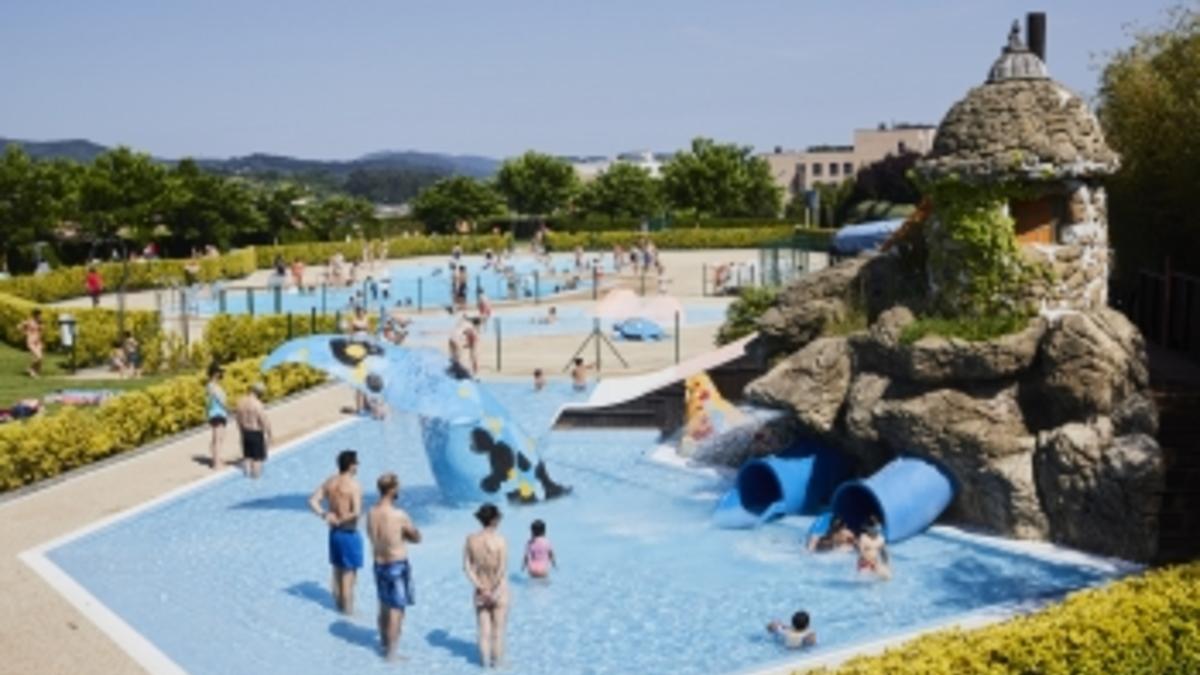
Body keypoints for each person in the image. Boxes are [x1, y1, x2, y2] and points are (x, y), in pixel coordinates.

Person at [367, 473, 422, 661]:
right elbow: (416, 538)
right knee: (396, 609)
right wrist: (410, 535)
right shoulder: (399, 515)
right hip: (396, 565)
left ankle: (383, 644)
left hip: (378, 563)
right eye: (397, 487)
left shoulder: (371, 512)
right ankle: (392, 654)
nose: (399, 490)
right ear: (392, 490)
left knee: (383, 605)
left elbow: (374, 537)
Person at [309, 450, 364, 615]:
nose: (357, 466)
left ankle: (339, 607)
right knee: (349, 577)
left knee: (337, 571)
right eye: (356, 463)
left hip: (334, 534)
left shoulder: (330, 482)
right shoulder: (354, 485)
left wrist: (324, 514)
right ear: (351, 465)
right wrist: (342, 519)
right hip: (349, 534)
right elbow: (356, 512)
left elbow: (312, 501)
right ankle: (347, 614)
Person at [464, 503, 508, 669]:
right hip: (499, 590)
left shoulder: (470, 539)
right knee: (497, 633)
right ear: (495, 520)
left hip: (480, 590)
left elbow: (467, 567)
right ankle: (498, 666)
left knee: (483, 632)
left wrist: (481, 588)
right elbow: (502, 568)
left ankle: (483, 667)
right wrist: (493, 590)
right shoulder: (500, 540)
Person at [234, 382, 273, 479]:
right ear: (259, 393)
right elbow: (264, 420)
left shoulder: (241, 402)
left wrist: (241, 431)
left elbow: (237, 418)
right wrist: (269, 434)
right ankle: (256, 479)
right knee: (257, 459)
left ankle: (247, 476)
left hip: (245, 432)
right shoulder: (257, 404)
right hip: (255, 433)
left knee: (247, 457)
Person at [205, 363, 228, 469]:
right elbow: (220, 399)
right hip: (216, 413)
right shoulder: (212, 386)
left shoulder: (214, 385)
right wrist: (229, 409)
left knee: (220, 437)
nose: (221, 375)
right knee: (217, 438)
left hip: (220, 413)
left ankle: (217, 458)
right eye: (219, 373)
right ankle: (216, 463)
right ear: (215, 373)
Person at [18, 309, 43, 378]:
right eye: (39, 315)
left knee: (40, 359)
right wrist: (25, 333)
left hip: (38, 342)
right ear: (35, 315)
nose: (40, 316)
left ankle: (34, 372)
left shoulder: (40, 322)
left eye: (40, 315)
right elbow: (19, 327)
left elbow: (40, 331)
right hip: (31, 342)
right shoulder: (29, 321)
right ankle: (31, 369)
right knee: (38, 357)